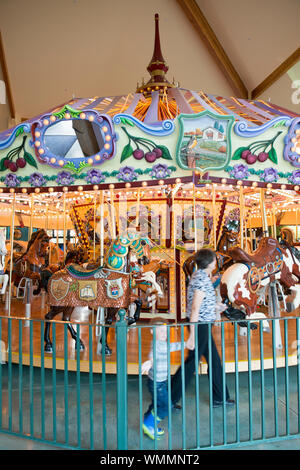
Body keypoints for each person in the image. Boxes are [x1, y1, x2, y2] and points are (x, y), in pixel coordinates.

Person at [171, 248, 235, 409]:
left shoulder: (201, 276)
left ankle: (220, 397)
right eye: (214, 259)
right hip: (199, 325)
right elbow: (195, 308)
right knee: (191, 363)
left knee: (214, 362)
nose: (216, 261)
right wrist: (192, 335)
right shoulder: (200, 278)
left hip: (204, 323)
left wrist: (216, 306)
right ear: (209, 262)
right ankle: (168, 399)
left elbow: (203, 302)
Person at [142, 317, 186, 440]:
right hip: (158, 384)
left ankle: (147, 420)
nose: (164, 333)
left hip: (158, 381)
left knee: (157, 403)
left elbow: (169, 347)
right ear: (152, 331)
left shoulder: (159, 343)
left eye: (166, 331)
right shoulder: (158, 345)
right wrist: (149, 363)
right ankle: (149, 424)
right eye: (160, 331)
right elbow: (153, 355)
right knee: (166, 407)